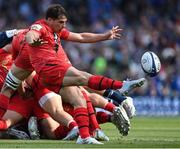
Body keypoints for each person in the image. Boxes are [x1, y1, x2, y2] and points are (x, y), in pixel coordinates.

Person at [0, 4, 145, 144]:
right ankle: (116, 97)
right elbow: (31, 34)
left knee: (79, 95)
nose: (63, 25)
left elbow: (81, 36)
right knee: (75, 94)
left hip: (32, 73)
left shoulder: (55, 32)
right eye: (61, 22)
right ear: (49, 20)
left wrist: (104, 36)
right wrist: (33, 41)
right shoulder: (40, 28)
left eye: (64, 22)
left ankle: (93, 126)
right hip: (36, 70)